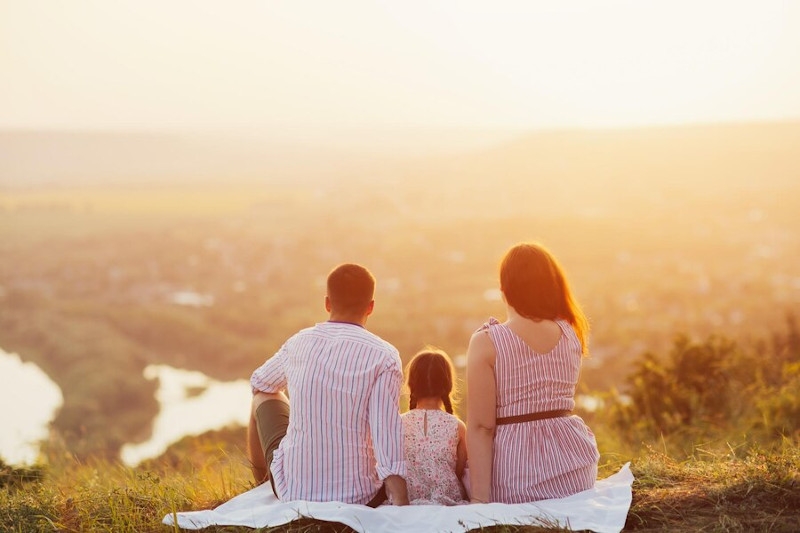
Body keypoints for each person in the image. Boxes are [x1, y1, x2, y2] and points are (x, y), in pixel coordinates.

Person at [247, 263, 409, 506]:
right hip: (359, 497)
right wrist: (402, 506)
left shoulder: (298, 343)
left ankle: (261, 484)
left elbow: (260, 382)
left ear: (327, 303)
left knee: (262, 395)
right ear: (371, 307)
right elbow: (386, 437)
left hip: (294, 490)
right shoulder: (384, 356)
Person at [466, 243, 599, 504]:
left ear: (504, 292)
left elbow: (482, 427)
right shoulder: (572, 332)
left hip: (517, 480)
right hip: (577, 472)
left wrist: (479, 501)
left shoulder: (487, 342)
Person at [401, 348, 468, 505]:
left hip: (407, 502)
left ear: (411, 384)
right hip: (447, 503)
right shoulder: (457, 427)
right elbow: (458, 472)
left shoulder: (397, 423)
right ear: (448, 385)